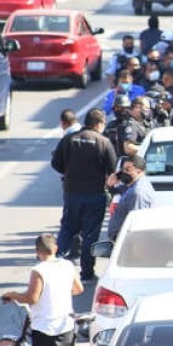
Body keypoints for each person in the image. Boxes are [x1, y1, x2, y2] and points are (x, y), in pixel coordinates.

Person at [2, 234, 84, 346]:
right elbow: (79, 289)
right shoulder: (67, 265)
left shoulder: (38, 271)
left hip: (45, 326)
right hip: (66, 325)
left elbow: (32, 298)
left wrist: (13, 295)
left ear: (37, 252)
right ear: (55, 248)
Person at [50, 109, 116, 282]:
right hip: (95, 195)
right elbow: (112, 170)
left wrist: (70, 173)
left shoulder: (68, 139)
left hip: (72, 193)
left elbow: (56, 163)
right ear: (99, 124)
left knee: (67, 229)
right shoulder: (103, 142)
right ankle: (86, 273)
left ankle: (54, 265)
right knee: (90, 235)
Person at [106, 155, 156, 241]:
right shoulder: (133, 185)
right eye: (123, 169)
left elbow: (136, 225)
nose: (123, 172)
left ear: (139, 171)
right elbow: (120, 190)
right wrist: (111, 186)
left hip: (128, 241)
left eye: (128, 170)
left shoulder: (137, 192)